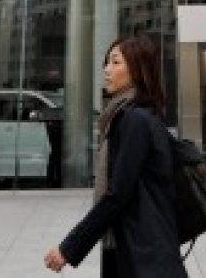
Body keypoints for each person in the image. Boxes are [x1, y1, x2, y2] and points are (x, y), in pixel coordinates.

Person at [44, 35, 187, 277]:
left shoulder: (135, 119)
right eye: (107, 62)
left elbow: (117, 194)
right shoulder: (135, 116)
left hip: (144, 254)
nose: (106, 69)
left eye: (116, 62)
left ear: (138, 69)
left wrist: (69, 248)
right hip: (140, 245)